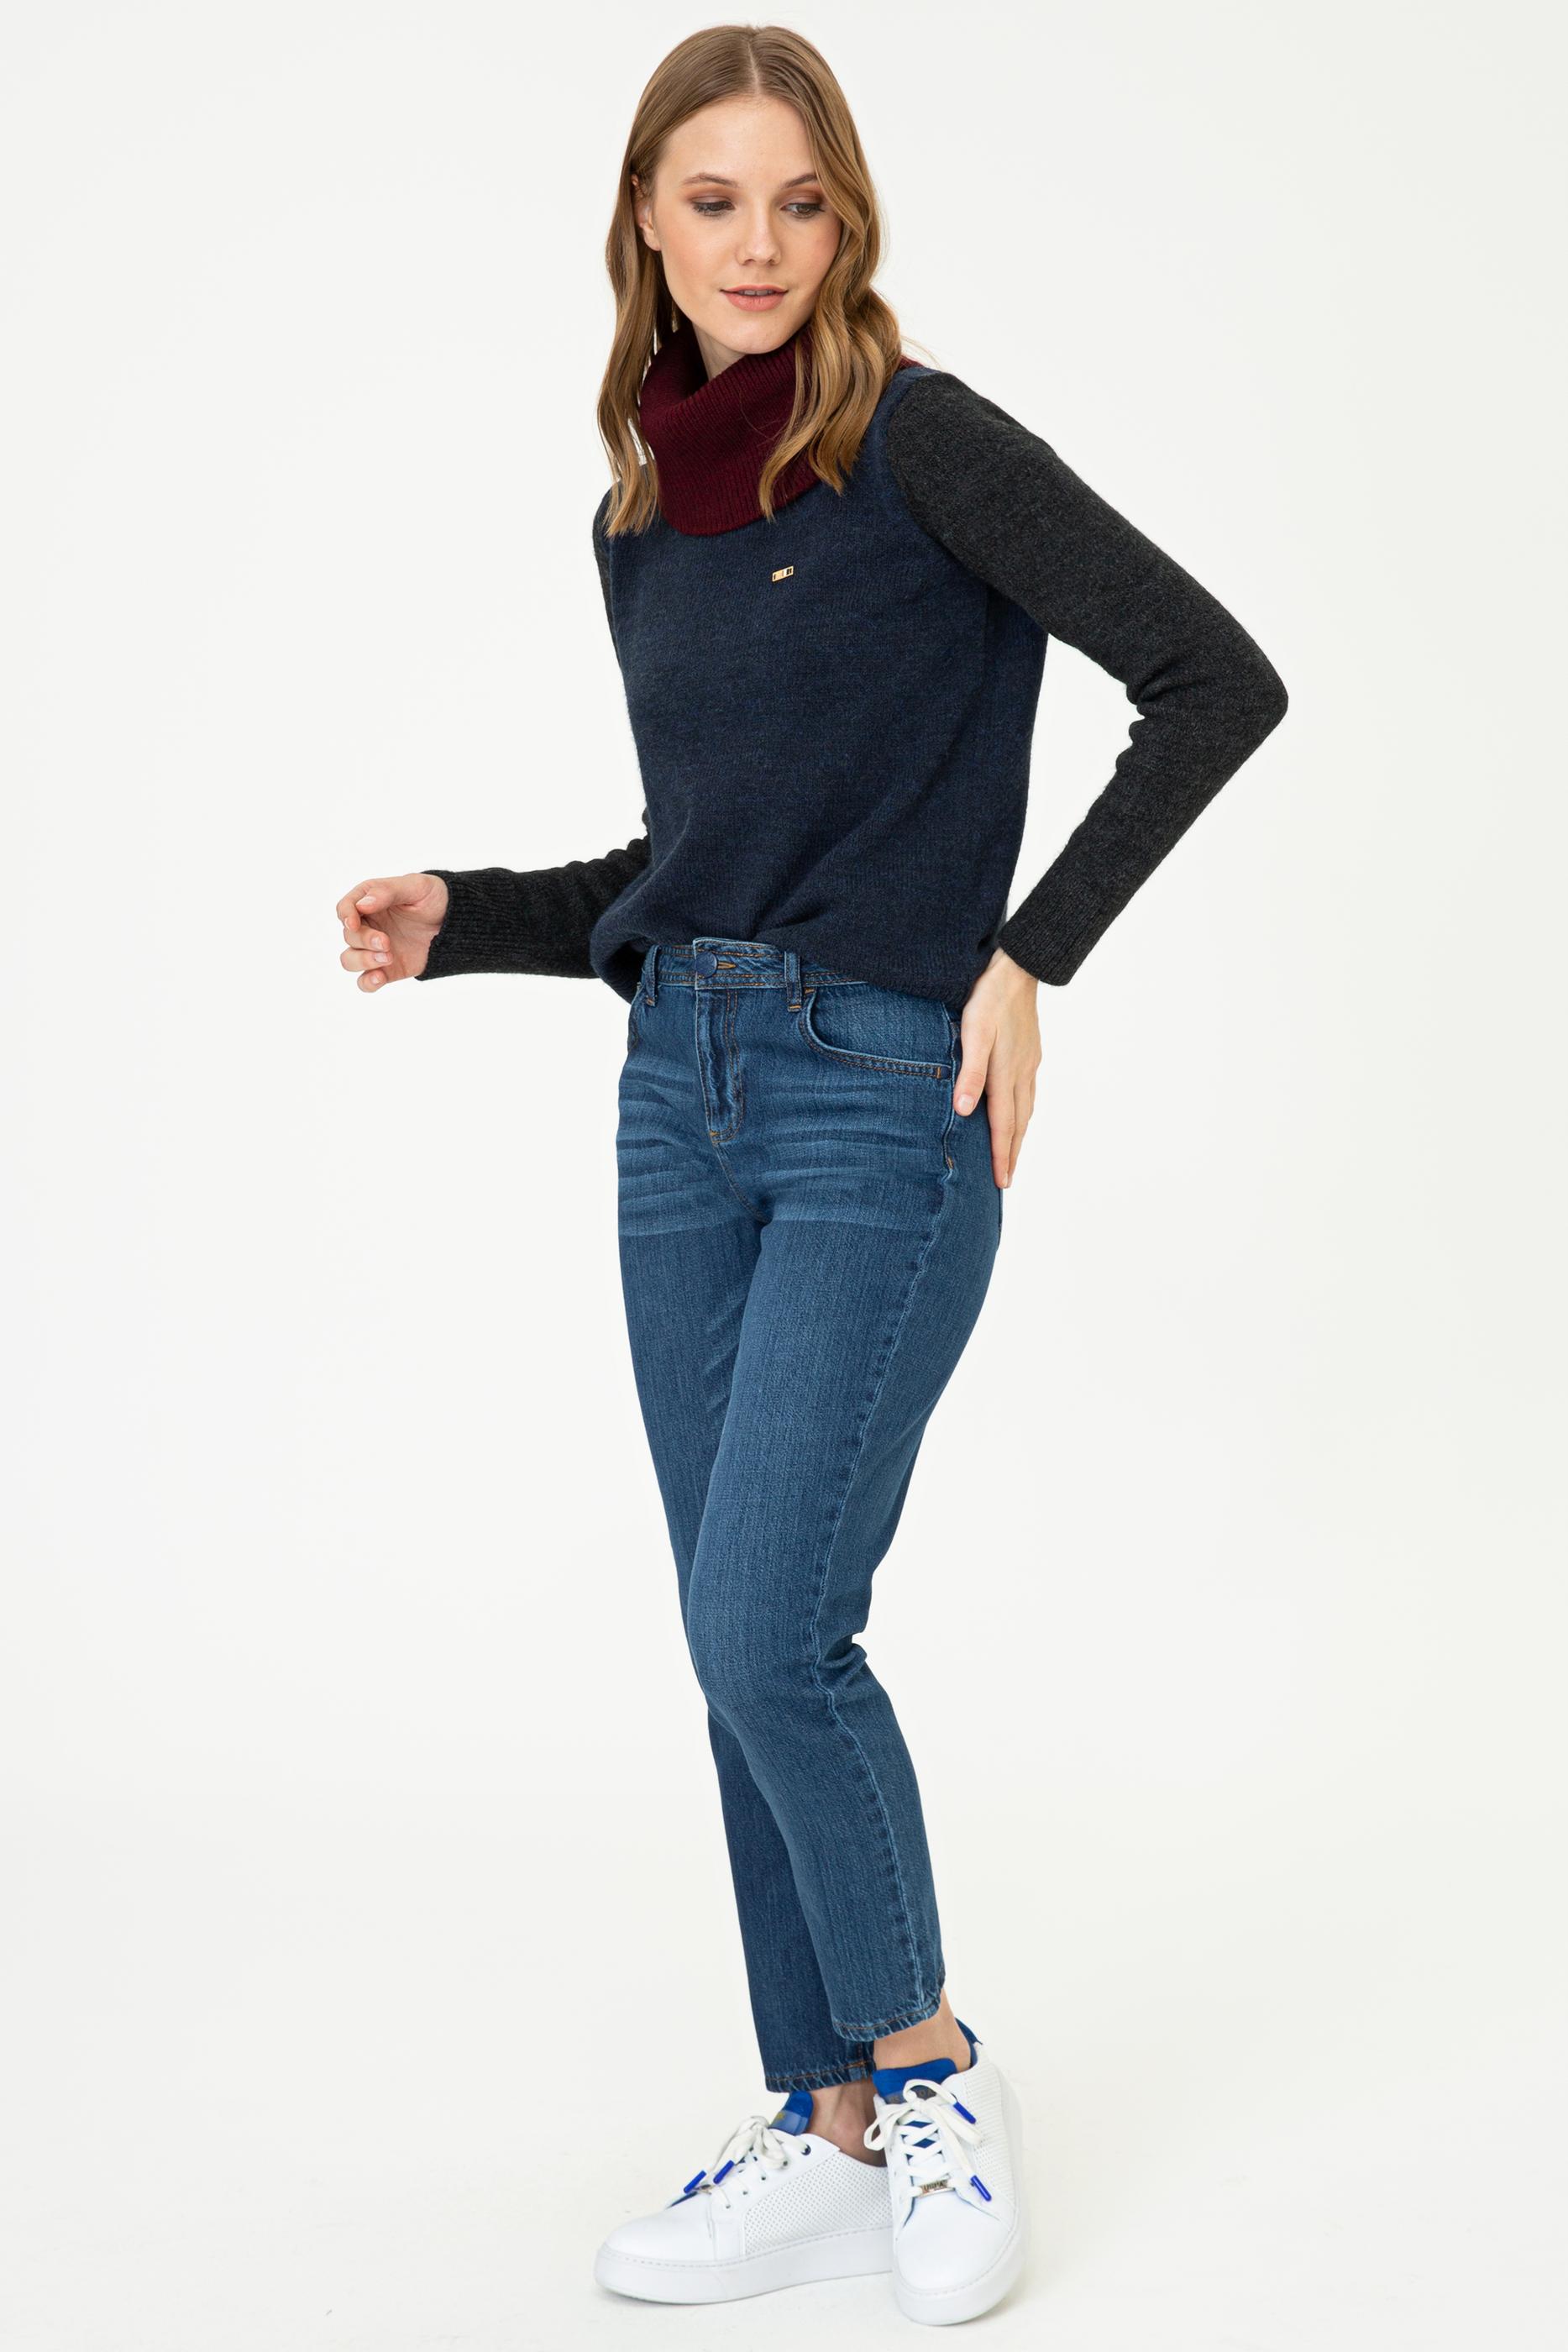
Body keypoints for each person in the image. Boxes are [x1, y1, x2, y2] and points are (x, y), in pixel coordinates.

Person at [333, 24, 1287, 2328]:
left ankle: (930, 2068)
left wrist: (1027, 956)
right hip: (678, 1095)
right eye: (712, 202)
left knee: (773, 1622)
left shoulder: (921, 443)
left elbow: (1211, 676)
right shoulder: (636, 522)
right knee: (726, 1639)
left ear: (844, 219)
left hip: (880, 1095)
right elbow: (699, 865)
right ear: (645, 228)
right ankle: (826, 2110)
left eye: (797, 200)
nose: (757, 243)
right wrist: (473, 916)